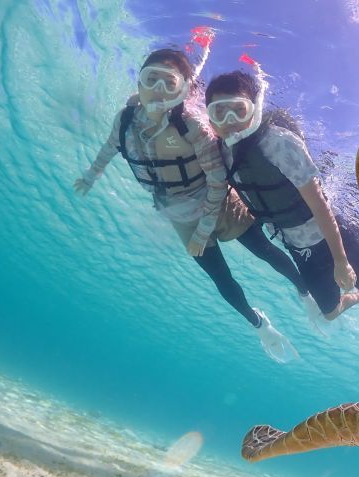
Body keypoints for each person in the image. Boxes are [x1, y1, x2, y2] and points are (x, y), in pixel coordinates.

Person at [73, 48, 314, 362]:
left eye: (168, 84)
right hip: (179, 213)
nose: (158, 89)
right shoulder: (125, 121)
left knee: (264, 251)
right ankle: (260, 325)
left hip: (222, 203)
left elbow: (217, 180)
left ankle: (304, 291)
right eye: (151, 79)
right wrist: (92, 175)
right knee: (220, 278)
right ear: (140, 83)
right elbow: (110, 148)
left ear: (183, 90)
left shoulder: (192, 126)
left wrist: (203, 230)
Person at [204, 68, 359, 326]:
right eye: (219, 112)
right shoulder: (221, 153)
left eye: (239, 109)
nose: (230, 120)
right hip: (300, 247)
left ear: (254, 109)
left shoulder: (278, 143)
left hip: (329, 233)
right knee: (330, 312)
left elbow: (319, 205)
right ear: (210, 119)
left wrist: (340, 260)